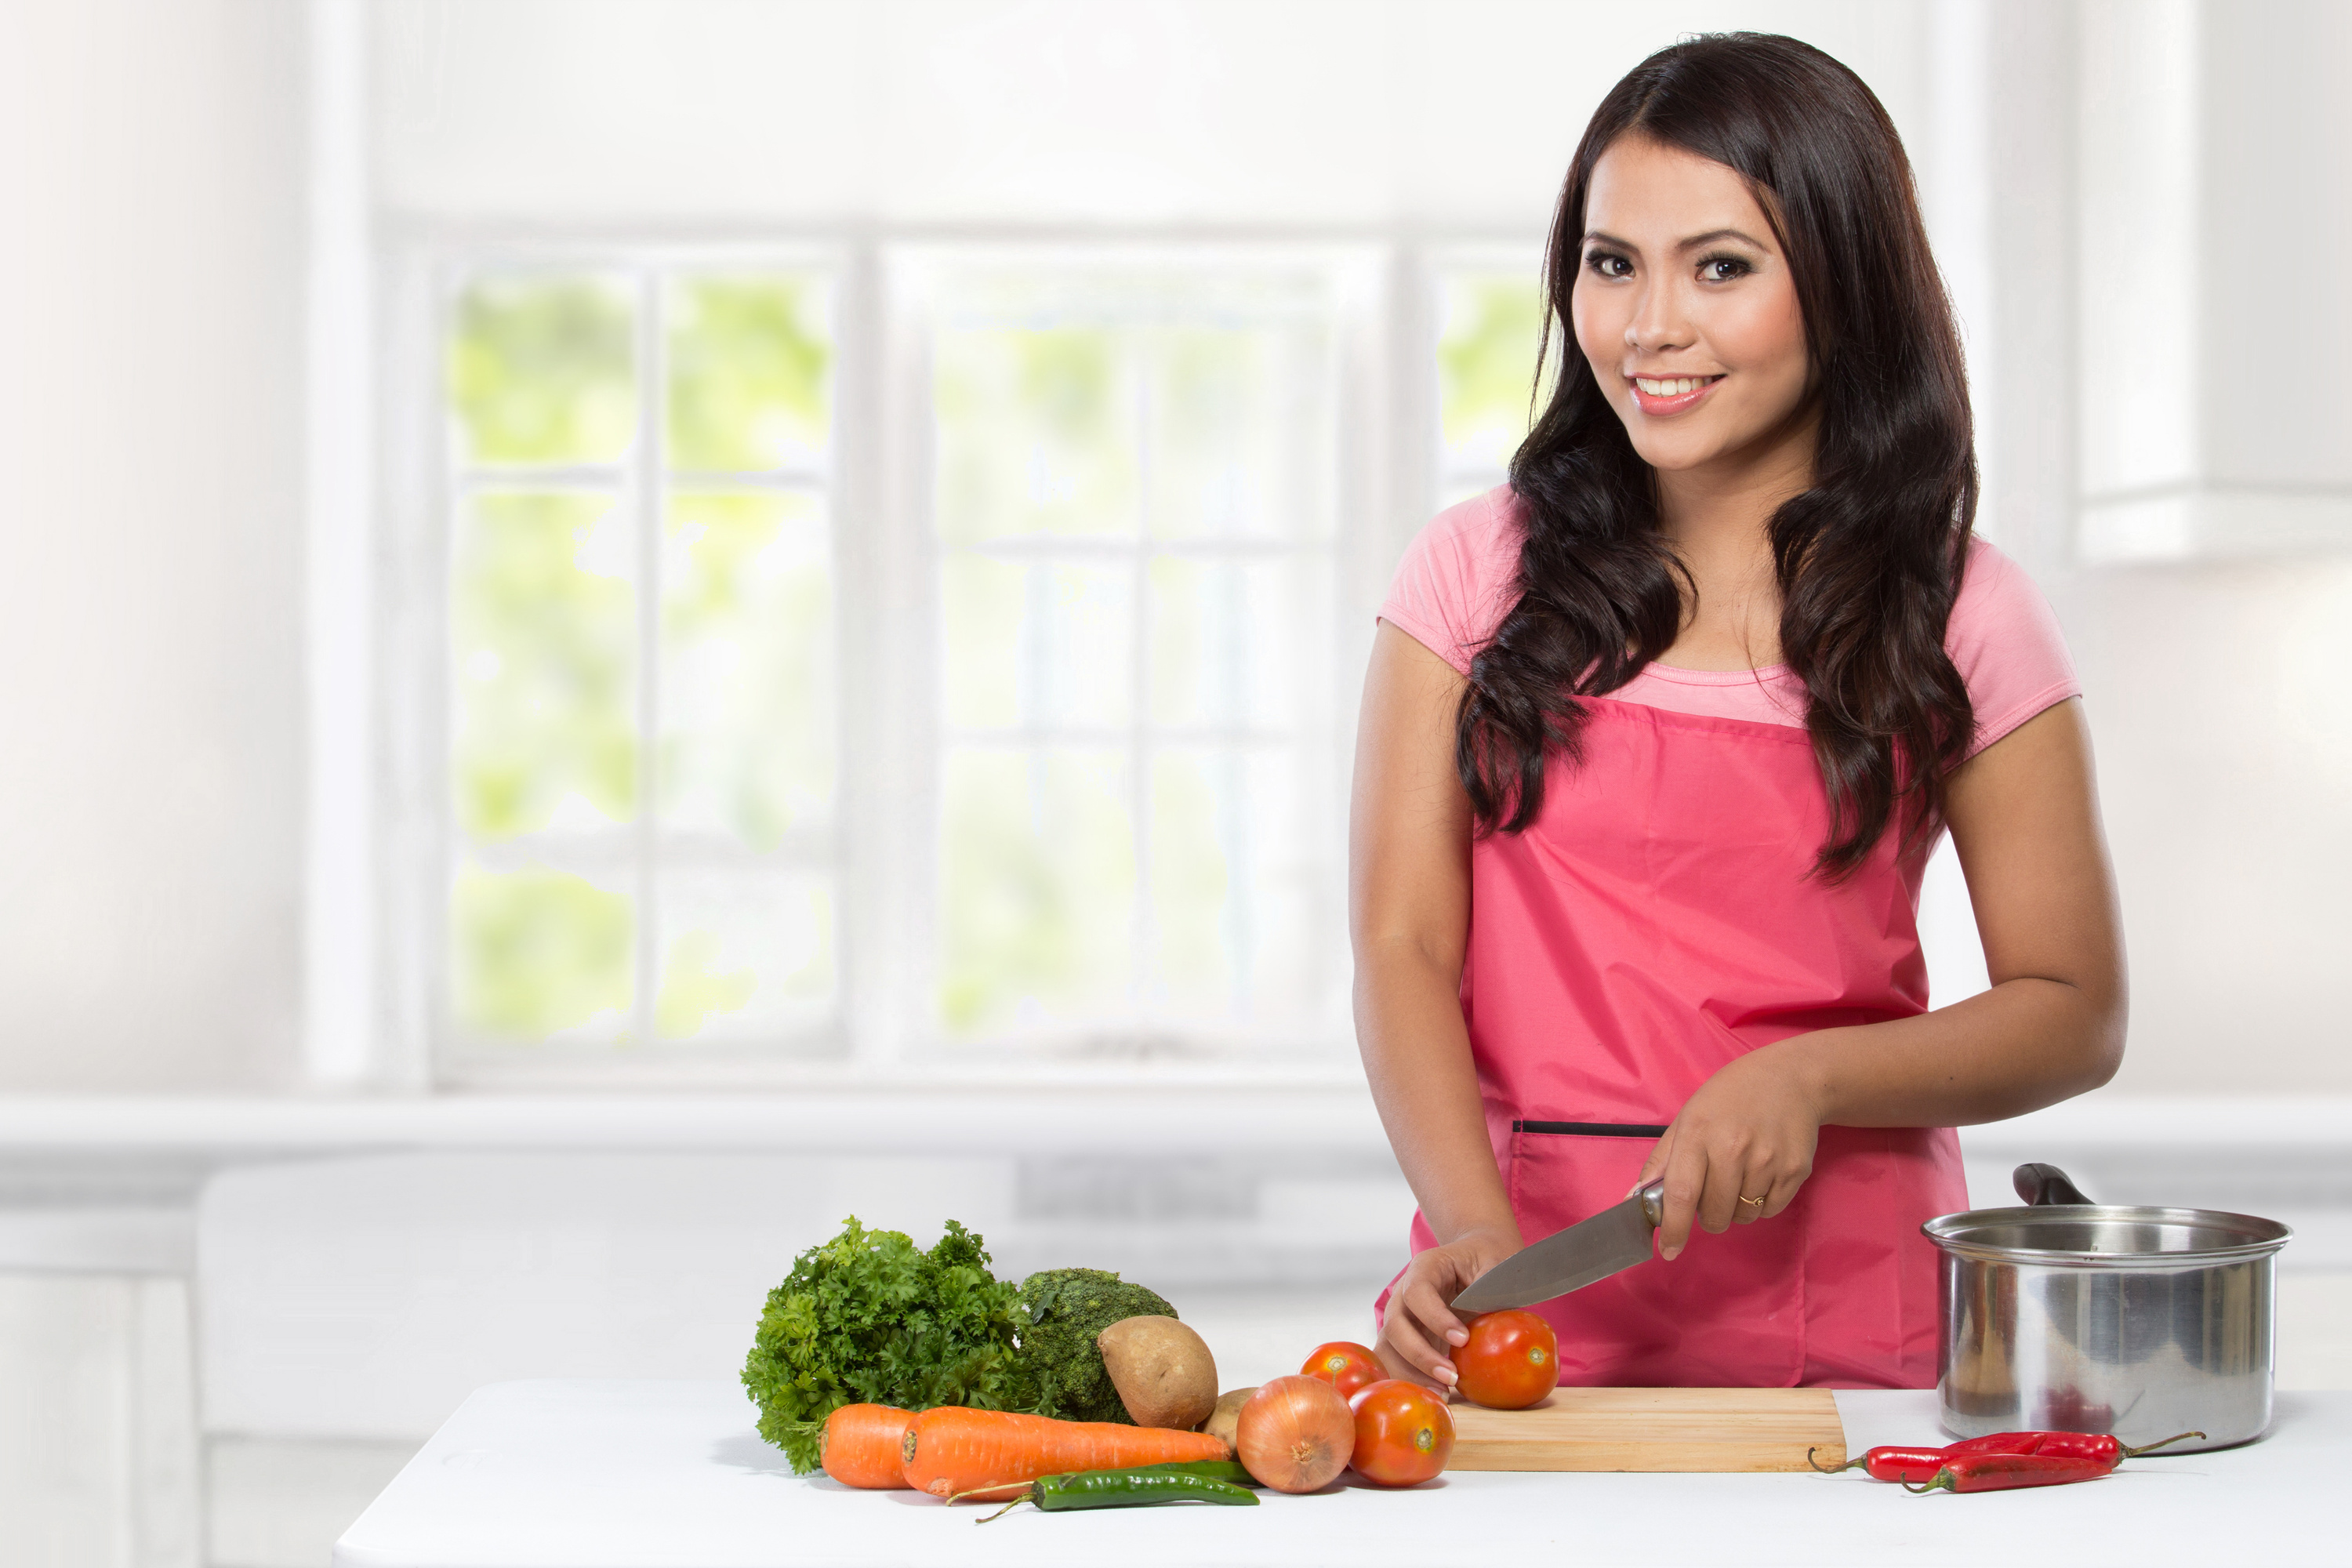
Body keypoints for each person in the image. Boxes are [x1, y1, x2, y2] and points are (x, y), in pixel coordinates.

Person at [1352, 32, 2125, 1392]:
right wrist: (1472, 1225)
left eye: (1721, 265)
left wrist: (1810, 1079)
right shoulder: (1473, 573)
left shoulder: (1961, 608)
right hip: (1528, 1325)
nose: (1649, 326)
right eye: (1611, 262)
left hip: (1851, 1345)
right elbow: (1404, 943)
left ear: (1842, 285)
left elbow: (2074, 1008)